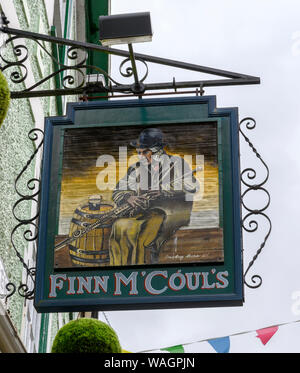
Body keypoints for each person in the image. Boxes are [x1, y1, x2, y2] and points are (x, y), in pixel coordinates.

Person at [109, 127, 199, 265]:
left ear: (158, 151)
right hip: (147, 213)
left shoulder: (177, 163)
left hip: (173, 213)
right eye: (139, 153)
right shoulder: (136, 168)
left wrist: (163, 189)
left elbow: (193, 186)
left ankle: (144, 261)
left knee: (143, 234)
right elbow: (117, 191)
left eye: (145, 152)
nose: (141, 156)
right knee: (120, 226)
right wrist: (128, 197)